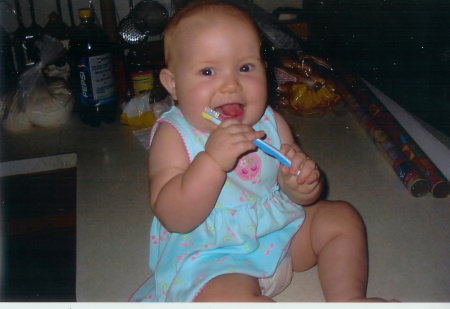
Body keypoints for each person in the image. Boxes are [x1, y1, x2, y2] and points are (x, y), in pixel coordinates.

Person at [130, 0, 392, 302]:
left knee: (342, 219)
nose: (231, 84)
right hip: (213, 260)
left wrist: (302, 184)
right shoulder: (173, 135)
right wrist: (212, 162)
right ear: (173, 85)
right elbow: (173, 216)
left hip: (278, 237)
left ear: (264, 71)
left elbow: (295, 187)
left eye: (244, 67)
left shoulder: (270, 121)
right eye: (207, 71)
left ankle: (348, 299)